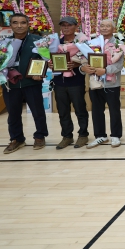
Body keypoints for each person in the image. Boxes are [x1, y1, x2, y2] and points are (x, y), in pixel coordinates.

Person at [0, 13, 49, 154]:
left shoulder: (38, 40)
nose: (19, 26)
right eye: (15, 22)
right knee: (13, 113)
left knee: (37, 111)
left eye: (23, 22)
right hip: (10, 84)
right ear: (10, 25)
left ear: (28, 24)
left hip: (31, 83)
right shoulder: (3, 43)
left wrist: (41, 72)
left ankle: (40, 136)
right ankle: (17, 139)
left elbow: (47, 59)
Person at [81, 19, 125, 148]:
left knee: (114, 110)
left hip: (112, 83)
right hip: (95, 82)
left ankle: (116, 135)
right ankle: (100, 135)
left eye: (108, 26)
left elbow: (119, 65)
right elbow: (84, 60)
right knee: (96, 110)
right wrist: (84, 68)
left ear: (113, 29)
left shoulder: (118, 44)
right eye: (102, 26)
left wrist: (105, 70)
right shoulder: (91, 43)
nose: (104, 28)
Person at [48, 16, 89, 149]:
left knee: (80, 109)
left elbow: (88, 58)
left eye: (69, 25)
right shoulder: (55, 43)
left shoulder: (82, 42)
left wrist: (77, 64)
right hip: (59, 82)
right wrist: (49, 64)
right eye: (63, 25)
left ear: (76, 26)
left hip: (76, 81)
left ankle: (83, 134)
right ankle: (67, 136)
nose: (66, 28)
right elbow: (49, 58)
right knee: (62, 111)